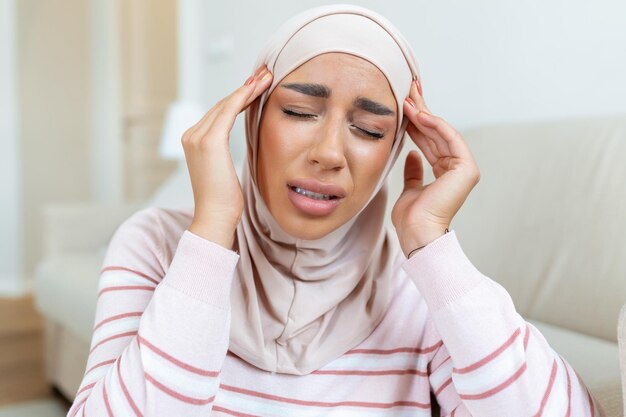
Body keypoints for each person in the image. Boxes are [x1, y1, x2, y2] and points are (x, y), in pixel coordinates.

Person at [67, 4, 600, 417]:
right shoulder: (156, 245)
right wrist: (210, 236)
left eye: (369, 130)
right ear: (251, 118)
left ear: (395, 149)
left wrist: (433, 245)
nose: (328, 151)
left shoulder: (421, 285)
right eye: (299, 111)